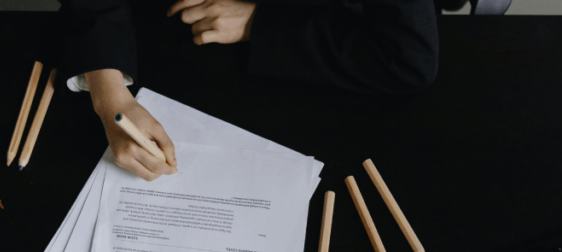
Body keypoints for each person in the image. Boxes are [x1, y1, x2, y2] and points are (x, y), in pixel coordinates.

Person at [59, 0, 439, 181]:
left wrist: (263, 21)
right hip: (156, 34)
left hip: (309, 61)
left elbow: (407, 56)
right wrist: (109, 93)